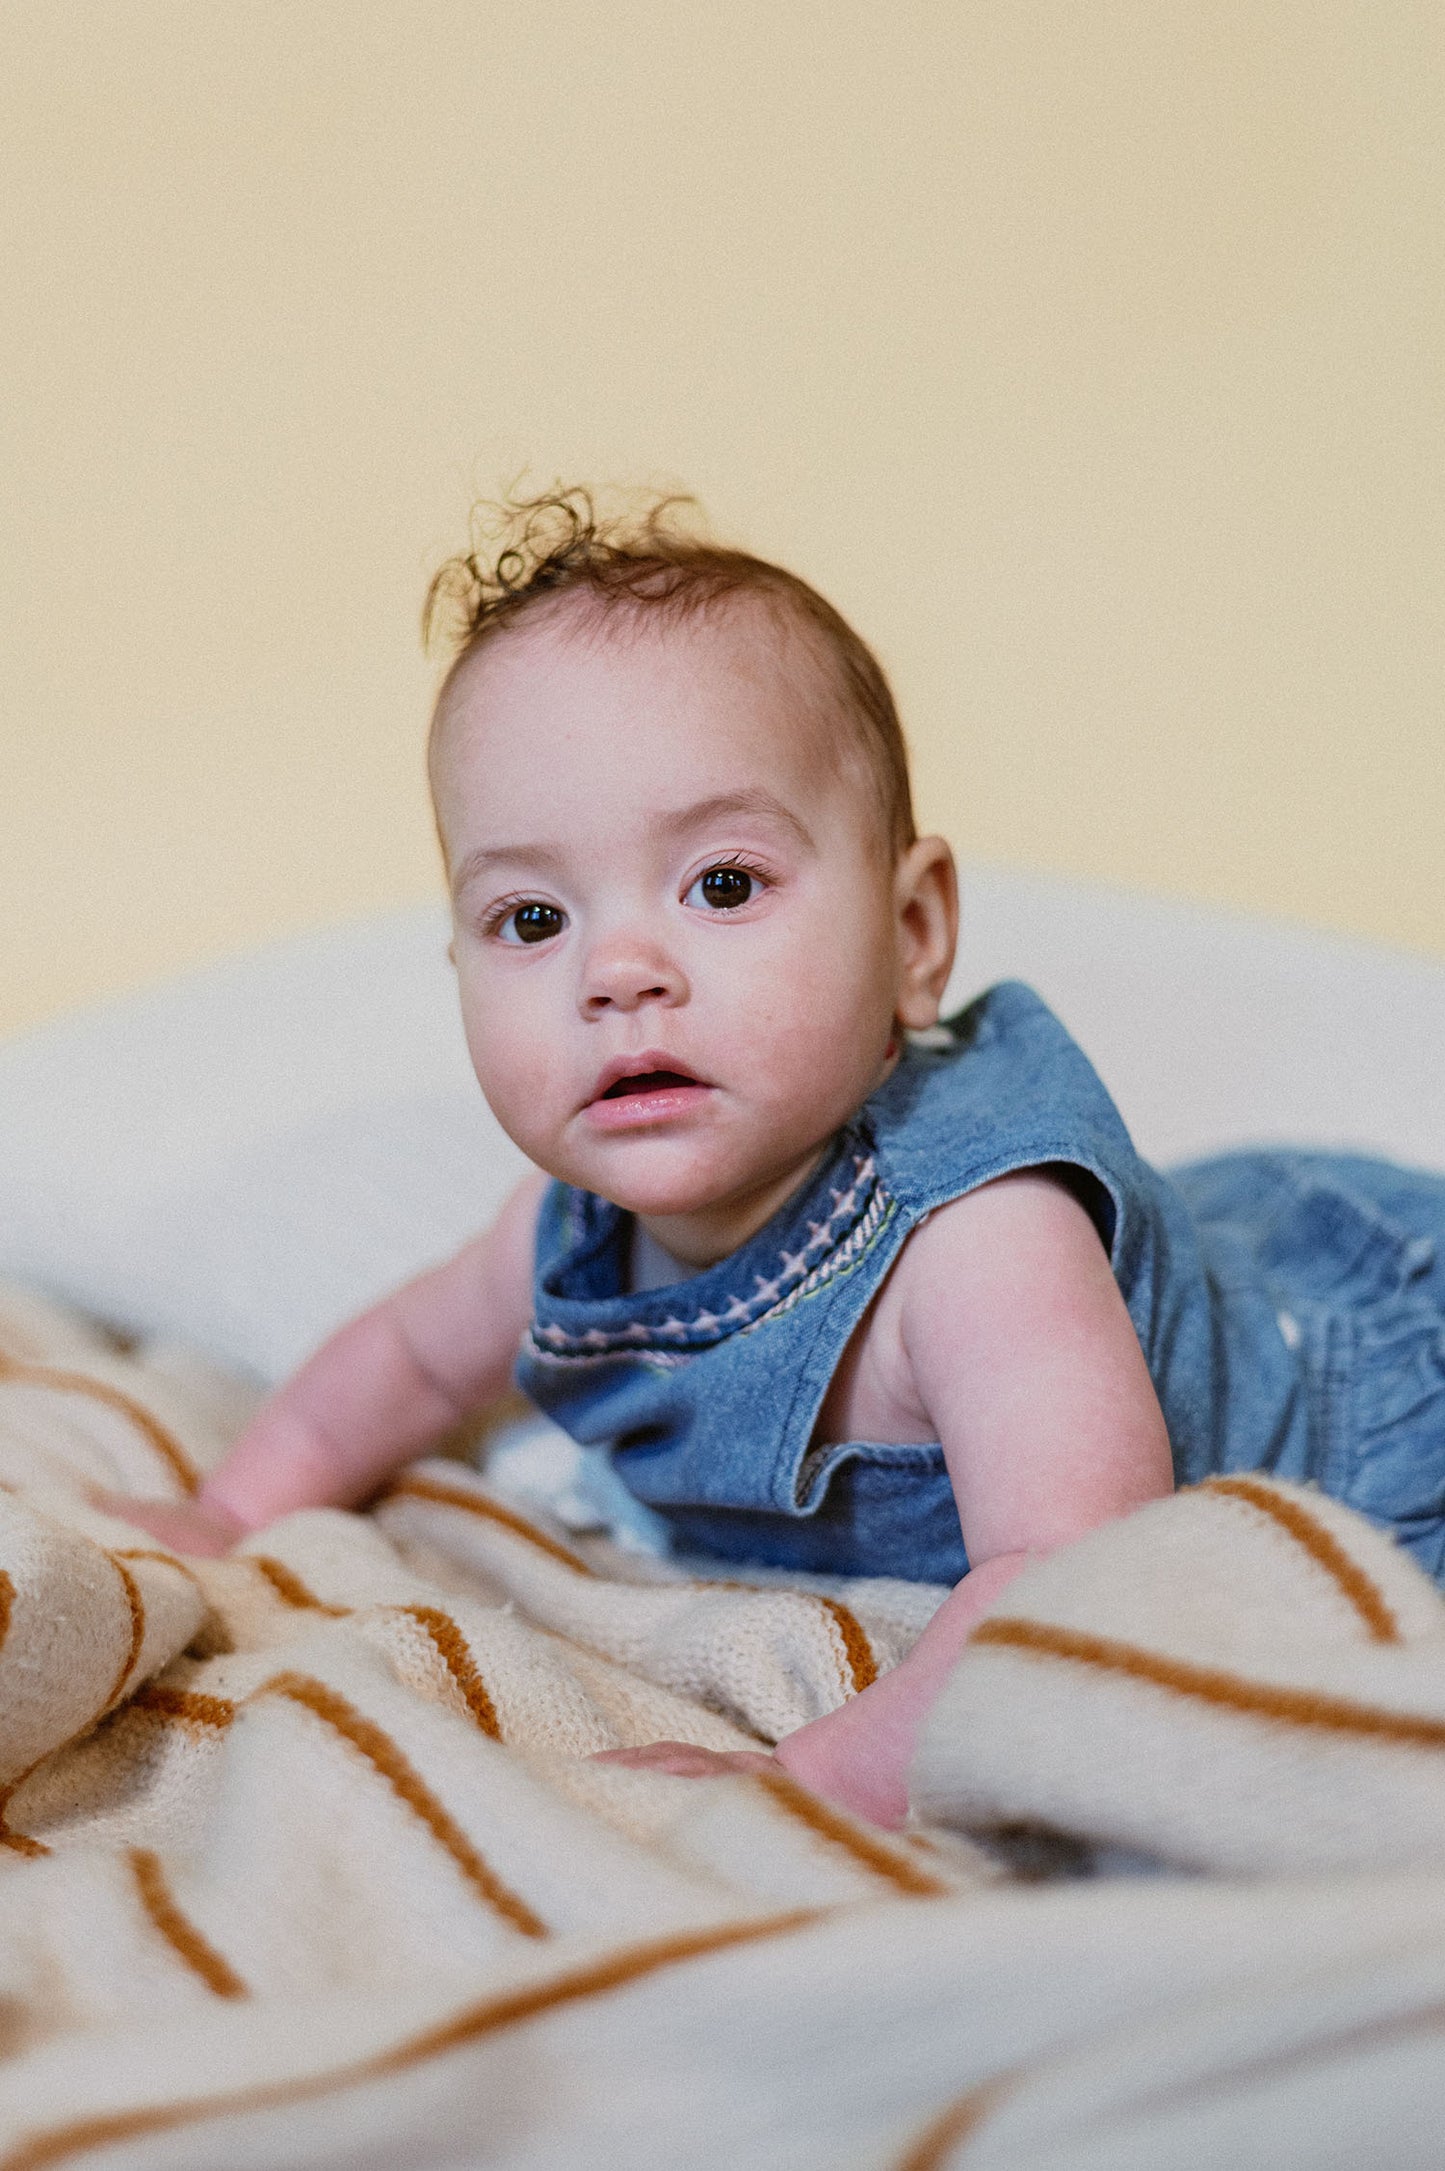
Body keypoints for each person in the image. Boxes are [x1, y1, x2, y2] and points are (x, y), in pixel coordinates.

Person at [114, 490, 1445, 1827]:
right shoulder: (567, 1235)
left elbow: (1075, 1580)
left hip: (1372, 1384)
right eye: (531, 918)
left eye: (724, 885)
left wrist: (808, 1781)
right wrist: (233, 1510)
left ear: (912, 936)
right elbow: (405, 1366)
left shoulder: (978, 1243)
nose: (618, 972)